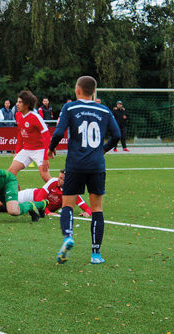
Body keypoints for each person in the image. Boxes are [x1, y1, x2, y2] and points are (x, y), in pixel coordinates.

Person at [48, 76, 121, 265]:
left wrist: (51, 148)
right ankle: (96, 254)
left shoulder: (70, 107)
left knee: (68, 204)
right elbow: (117, 135)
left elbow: (58, 132)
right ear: (94, 91)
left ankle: (68, 237)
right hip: (97, 165)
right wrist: (103, 150)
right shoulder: (104, 110)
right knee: (97, 208)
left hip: (75, 164)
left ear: (78, 90)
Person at [0, 170, 92, 217]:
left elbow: (85, 206)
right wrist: (46, 212)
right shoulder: (53, 182)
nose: (59, 180)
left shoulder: (72, 191)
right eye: (60, 177)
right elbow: (39, 198)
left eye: (62, 179)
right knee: (0, 203)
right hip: (29, 196)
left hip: (33, 205)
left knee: (0, 208)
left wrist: (87, 212)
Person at [8, 90, 52, 182]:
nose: (17, 104)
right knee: (11, 173)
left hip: (39, 150)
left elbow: (47, 136)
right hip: (26, 150)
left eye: (20, 102)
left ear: (27, 104)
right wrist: (17, 151)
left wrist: (45, 158)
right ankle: (17, 195)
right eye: (17, 101)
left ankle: (62, 194)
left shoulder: (35, 117)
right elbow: (20, 134)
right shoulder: (18, 115)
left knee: (45, 176)